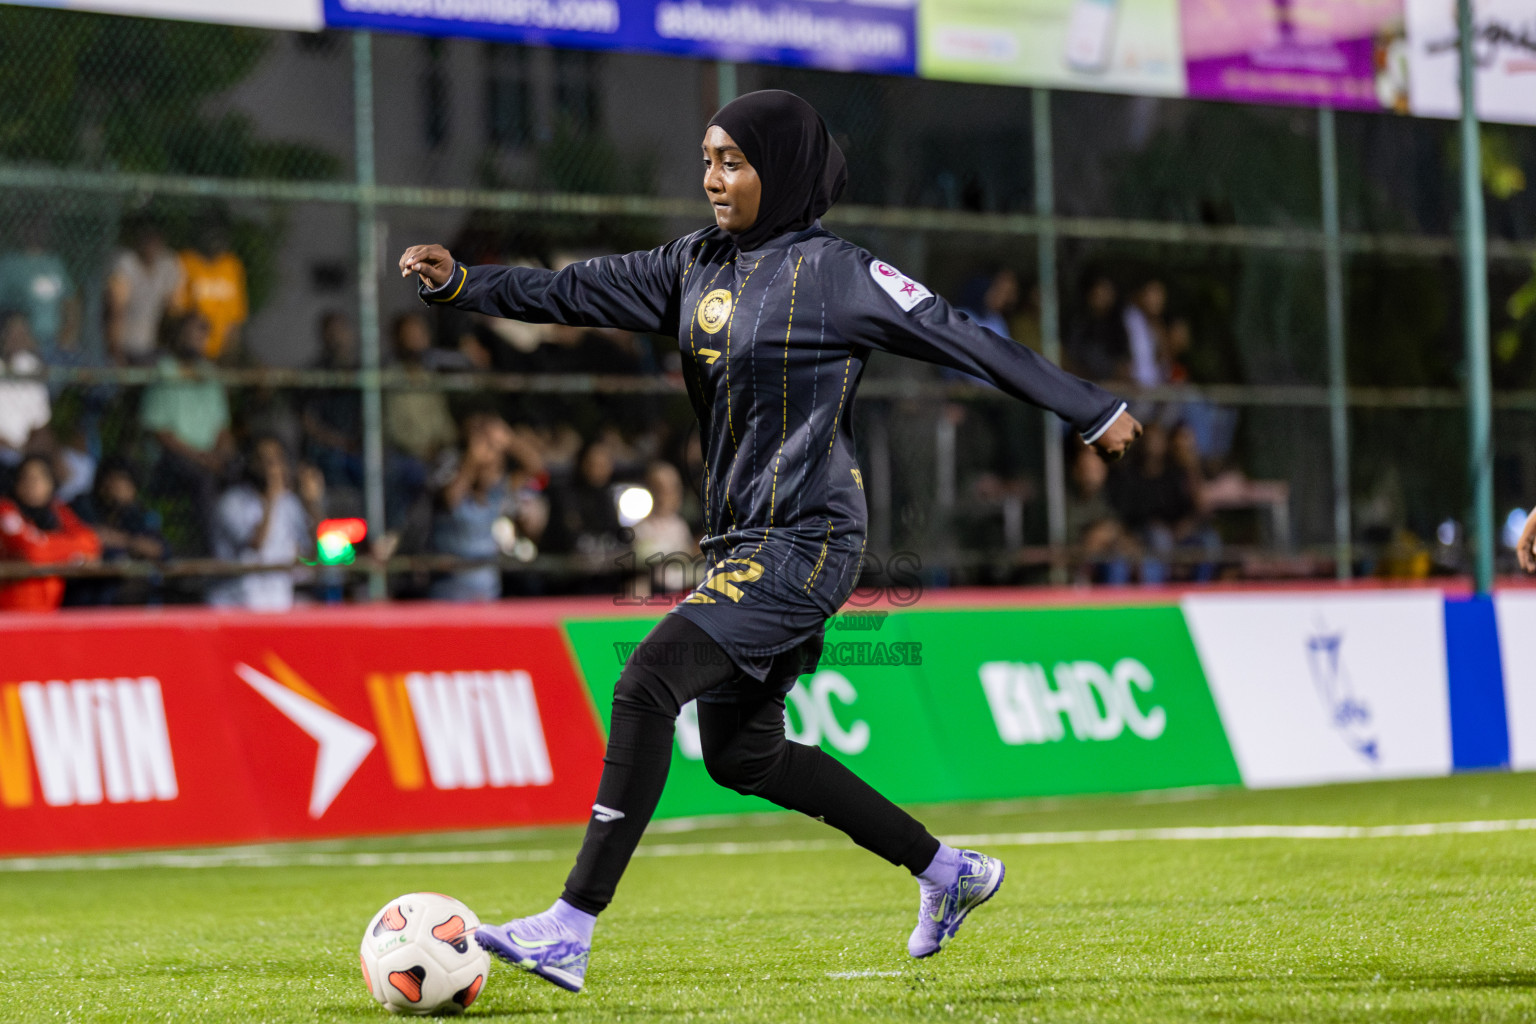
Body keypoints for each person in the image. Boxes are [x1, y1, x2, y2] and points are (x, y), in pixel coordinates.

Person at [399, 89, 1140, 993]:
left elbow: (962, 338)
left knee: (646, 683)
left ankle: (571, 924)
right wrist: (464, 284)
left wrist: (1090, 408)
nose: (713, 179)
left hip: (809, 539)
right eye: (708, 160)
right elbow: (570, 290)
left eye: (734, 162)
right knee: (743, 755)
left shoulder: (838, 273)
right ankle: (947, 871)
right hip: (739, 541)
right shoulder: (693, 263)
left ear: (780, 170)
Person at [139, 314, 235, 554]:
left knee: (245, 470)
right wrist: (204, 459)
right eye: (190, 333)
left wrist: (223, 453)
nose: (195, 340)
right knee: (203, 480)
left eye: (201, 335)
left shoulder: (209, 373)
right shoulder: (164, 372)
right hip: (171, 459)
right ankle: (212, 554)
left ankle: (242, 548)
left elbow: (222, 427)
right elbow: (162, 434)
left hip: (208, 456)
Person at [207, 437, 318, 612]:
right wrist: (271, 498)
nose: (271, 468)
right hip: (235, 606)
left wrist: (312, 504)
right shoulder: (231, 502)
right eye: (264, 461)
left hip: (278, 604)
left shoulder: (289, 503)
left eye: (276, 460)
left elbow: (312, 555)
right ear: (250, 464)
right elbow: (257, 544)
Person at [0, 454, 100, 611]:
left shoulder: (57, 510)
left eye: (40, 478)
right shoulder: (6, 509)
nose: (32, 484)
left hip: (49, 608)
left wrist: (46, 543)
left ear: (51, 483)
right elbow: (33, 552)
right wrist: (74, 555)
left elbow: (90, 542)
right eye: (26, 478)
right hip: (11, 610)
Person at [68, 458, 168, 606]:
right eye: (115, 480)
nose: (119, 487)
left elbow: (158, 549)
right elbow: (89, 537)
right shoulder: (82, 505)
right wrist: (131, 543)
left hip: (126, 586)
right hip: (88, 587)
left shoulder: (137, 514)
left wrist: (128, 543)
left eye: (126, 482)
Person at [105, 217, 183, 366]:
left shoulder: (168, 264)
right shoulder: (125, 262)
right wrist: (116, 350)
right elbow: (116, 312)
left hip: (152, 346)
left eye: (155, 239)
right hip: (124, 344)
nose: (151, 245)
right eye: (146, 239)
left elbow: (175, 310)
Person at [172, 219, 248, 363]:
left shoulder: (231, 265)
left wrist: (231, 353)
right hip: (191, 350)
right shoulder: (187, 261)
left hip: (221, 352)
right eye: (212, 235)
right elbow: (177, 309)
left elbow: (236, 316)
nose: (216, 242)